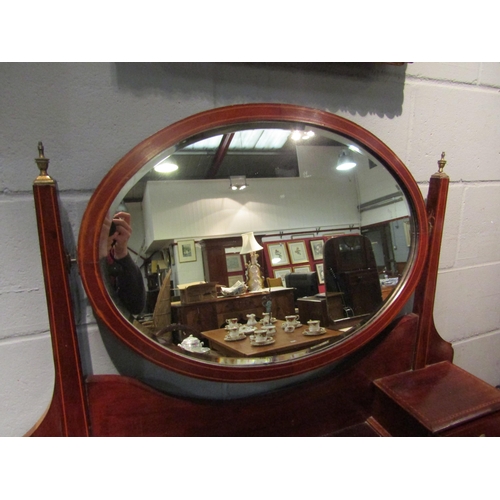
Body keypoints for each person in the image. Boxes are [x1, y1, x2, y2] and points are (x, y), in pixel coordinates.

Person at [101, 211, 146, 316]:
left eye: (109, 225)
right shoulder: (85, 255)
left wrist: (122, 252)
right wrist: (99, 254)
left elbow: (136, 307)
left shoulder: (113, 255)